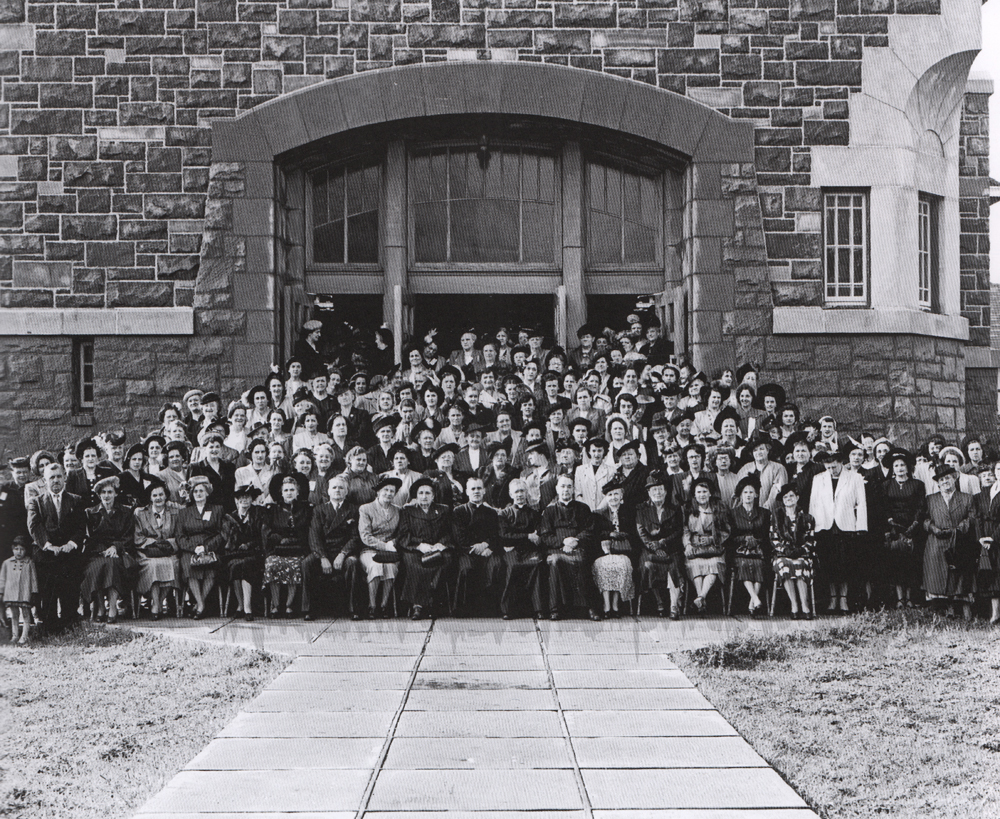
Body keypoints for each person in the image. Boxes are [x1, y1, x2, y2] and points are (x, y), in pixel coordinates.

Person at [28, 462, 87, 630]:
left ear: (65, 478)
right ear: (45, 481)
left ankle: (70, 619)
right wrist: (48, 545)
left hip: (69, 550)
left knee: (70, 580)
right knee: (48, 584)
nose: (55, 480)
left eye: (59, 476)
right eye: (51, 477)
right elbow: (34, 526)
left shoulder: (76, 500)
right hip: (46, 551)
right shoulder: (36, 502)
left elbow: (81, 526)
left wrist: (71, 544)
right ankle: (49, 622)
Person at [809, 449, 867, 614]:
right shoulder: (818, 479)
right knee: (828, 564)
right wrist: (812, 528)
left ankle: (843, 599)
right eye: (828, 467)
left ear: (841, 463)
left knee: (845, 564)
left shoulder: (854, 478)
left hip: (846, 526)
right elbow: (813, 504)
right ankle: (832, 599)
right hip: (825, 527)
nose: (831, 470)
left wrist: (861, 527)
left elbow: (861, 503)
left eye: (834, 466)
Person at [540, 474, 599, 620]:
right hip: (556, 549)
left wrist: (576, 541)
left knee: (581, 560)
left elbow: (589, 530)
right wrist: (563, 542)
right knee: (554, 561)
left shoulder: (583, 508)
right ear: (556, 489)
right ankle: (555, 609)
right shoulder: (549, 511)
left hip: (578, 547)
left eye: (569, 486)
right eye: (562, 486)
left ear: (573, 489)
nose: (566, 490)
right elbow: (545, 535)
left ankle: (590, 607)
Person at [923, 463, 977, 620]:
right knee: (938, 576)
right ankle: (942, 610)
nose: (945, 481)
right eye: (941, 479)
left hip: (959, 542)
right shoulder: (930, 499)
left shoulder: (966, 498)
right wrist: (933, 528)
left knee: (958, 575)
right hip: (936, 542)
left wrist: (959, 529)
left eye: (947, 478)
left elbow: (972, 518)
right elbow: (924, 520)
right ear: (937, 483)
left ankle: (961, 609)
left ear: (954, 478)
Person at [306, 475, 363, 620]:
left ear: (347, 491)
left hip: (344, 551)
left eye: (341, 487)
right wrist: (323, 557)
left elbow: (355, 537)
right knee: (307, 563)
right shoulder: (319, 510)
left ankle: (353, 608)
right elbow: (314, 536)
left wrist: (343, 553)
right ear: (328, 491)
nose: (337, 490)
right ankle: (309, 609)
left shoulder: (353, 509)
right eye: (334, 487)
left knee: (353, 563)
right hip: (324, 551)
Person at [397, 477, 454, 620]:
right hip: (414, 549)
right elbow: (403, 534)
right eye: (420, 493)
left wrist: (441, 544)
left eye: (427, 493)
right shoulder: (407, 511)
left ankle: (430, 600)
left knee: (446, 560)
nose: (424, 496)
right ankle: (418, 605)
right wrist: (419, 545)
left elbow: (449, 532)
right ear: (416, 495)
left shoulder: (443, 510)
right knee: (416, 565)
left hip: (437, 547)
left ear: (433, 495)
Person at [81, 476, 136, 623]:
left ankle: (112, 607)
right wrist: (103, 550)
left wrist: (116, 547)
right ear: (99, 495)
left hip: (120, 552)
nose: (107, 495)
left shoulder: (126, 512)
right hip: (97, 552)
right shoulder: (90, 513)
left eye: (110, 492)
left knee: (112, 565)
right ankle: (100, 607)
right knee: (98, 566)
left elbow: (129, 536)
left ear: (116, 493)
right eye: (103, 492)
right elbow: (89, 538)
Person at [262, 473, 313, 618]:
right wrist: (280, 539)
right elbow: (267, 532)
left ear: (297, 492)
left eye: (292, 490)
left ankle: (289, 605)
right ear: (281, 493)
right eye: (286, 490)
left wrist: (294, 541)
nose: (289, 493)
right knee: (272, 564)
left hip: (298, 549)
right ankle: (276, 605)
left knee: (295, 565)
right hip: (277, 549)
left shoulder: (306, 509)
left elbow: (308, 531)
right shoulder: (271, 510)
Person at [636, 470, 685, 618]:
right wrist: (654, 547)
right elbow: (641, 532)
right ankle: (659, 602)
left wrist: (663, 543)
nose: (657, 492)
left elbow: (678, 531)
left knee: (674, 567)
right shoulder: (641, 509)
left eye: (660, 489)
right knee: (648, 566)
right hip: (649, 549)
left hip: (671, 548)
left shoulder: (675, 509)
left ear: (665, 491)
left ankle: (673, 605)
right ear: (649, 492)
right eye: (654, 489)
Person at [880, 449, 926, 609]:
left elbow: (921, 507)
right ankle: (900, 599)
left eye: (902, 465)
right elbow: (884, 507)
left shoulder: (918, 485)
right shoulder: (886, 485)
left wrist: (913, 526)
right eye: (896, 465)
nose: (899, 468)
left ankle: (910, 597)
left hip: (912, 529)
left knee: (911, 564)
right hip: (894, 530)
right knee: (896, 564)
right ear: (892, 468)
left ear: (908, 468)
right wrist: (891, 523)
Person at [176, 474, 225, 619]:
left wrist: (207, 547)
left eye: (201, 491)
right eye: (196, 491)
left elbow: (222, 533)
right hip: (190, 549)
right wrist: (194, 548)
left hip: (211, 548)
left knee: (211, 567)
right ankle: (201, 604)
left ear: (207, 492)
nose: (198, 494)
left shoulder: (217, 510)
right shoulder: (184, 512)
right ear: (191, 494)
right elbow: (180, 536)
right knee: (188, 565)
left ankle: (199, 605)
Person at [452, 475, 501, 615]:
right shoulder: (459, 511)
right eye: (473, 488)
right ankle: (465, 609)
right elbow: (459, 537)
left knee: (496, 565)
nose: (476, 491)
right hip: (467, 550)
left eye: (479, 488)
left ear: (484, 491)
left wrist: (487, 546)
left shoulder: (491, 513)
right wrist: (476, 547)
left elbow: (496, 535)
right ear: (467, 492)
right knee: (466, 568)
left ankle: (491, 609)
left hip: (487, 550)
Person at [133, 478, 180, 620]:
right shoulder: (140, 513)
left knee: (173, 564)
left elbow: (179, 534)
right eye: (155, 495)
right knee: (153, 565)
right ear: (150, 498)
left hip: (168, 551)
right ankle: (155, 601)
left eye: (161, 494)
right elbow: (138, 536)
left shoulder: (174, 512)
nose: (158, 498)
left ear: (166, 496)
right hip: (147, 552)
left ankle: (158, 603)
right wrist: (153, 543)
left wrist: (168, 543)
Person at [683, 477, 730, 614]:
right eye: (699, 492)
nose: (702, 495)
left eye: (704, 491)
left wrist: (712, 538)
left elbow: (726, 530)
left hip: (713, 549)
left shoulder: (718, 508)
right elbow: (685, 530)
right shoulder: (689, 509)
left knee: (714, 564)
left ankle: (701, 597)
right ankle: (701, 600)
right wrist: (688, 545)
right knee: (694, 564)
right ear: (694, 494)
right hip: (695, 547)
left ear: (710, 493)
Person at [358, 475, 402, 616]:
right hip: (369, 550)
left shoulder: (398, 510)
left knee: (390, 567)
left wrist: (393, 543)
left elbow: (401, 532)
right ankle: (372, 605)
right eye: (385, 490)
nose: (389, 493)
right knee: (375, 566)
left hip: (391, 550)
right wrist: (384, 546)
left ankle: (384, 605)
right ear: (378, 492)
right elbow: (365, 536)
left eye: (392, 491)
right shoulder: (366, 509)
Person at [220, 484, 266, 620]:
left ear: (252, 499)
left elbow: (262, 537)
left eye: (247, 497)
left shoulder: (258, 514)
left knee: (246, 565)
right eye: (241, 498)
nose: (244, 500)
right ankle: (240, 605)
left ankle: (247, 607)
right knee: (234, 566)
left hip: (255, 553)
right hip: (235, 553)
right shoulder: (230, 517)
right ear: (236, 500)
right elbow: (227, 539)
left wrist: (249, 544)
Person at [770, 483, 815, 619]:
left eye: (791, 496)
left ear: (797, 498)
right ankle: (794, 606)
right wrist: (785, 550)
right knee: (785, 565)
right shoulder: (776, 517)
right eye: (785, 497)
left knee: (800, 564)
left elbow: (811, 540)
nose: (788, 499)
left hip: (802, 554)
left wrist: (801, 550)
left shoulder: (808, 518)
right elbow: (773, 538)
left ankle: (805, 606)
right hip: (782, 554)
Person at [592, 475, 635, 617]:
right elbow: (595, 534)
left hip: (623, 550)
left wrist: (621, 535)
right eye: (610, 495)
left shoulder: (629, 511)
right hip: (604, 551)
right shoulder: (598, 514)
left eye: (616, 493)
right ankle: (606, 605)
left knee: (621, 565)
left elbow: (633, 532)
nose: (613, 497)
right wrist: (610, 534)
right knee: (604, 566)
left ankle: (616, 605)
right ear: (606, 497)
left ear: (621, 495)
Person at [729, 475, 771, 616]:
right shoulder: (733, 513)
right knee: (743, 563)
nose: (748, 495)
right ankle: (755, 599)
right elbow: (730, 535)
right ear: (740, 495)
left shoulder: (764, 513)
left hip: (758, 551)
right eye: (745, 492)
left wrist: (756, 540)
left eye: (751, 492)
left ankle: (753, 602)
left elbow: (766, 534)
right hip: (739, 550)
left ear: (756, 494)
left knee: (760, 564)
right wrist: (744, 539)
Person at [1, 535, 38, 644]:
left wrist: (34, 592)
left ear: (26, 550)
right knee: (14, 615)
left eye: (22, 549)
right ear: (12, 549)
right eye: (16, 549)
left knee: (26, 614)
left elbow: (34, 579)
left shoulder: (29, 562)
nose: (19, 552)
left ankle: (24, 636)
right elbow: (2, 578)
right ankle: (15, 635)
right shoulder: (7, 563)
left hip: (24, 592)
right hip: (11, 593)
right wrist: (1, 591)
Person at [977, 460, 1000, 625]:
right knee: (992, 575)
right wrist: (982, 537)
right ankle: (995, 613)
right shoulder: (987, 491)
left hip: (997, 536)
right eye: (998, 469)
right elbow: (978, 516)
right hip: (986, 538)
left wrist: (994, 537)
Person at [0, 456, 32, 564]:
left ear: (29, 472)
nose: (22, 475)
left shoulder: (33, 488)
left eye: (25, 472)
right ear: (13, 473)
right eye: (18, 472)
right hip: (9, 535)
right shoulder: (5, 488)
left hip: (28, 533)